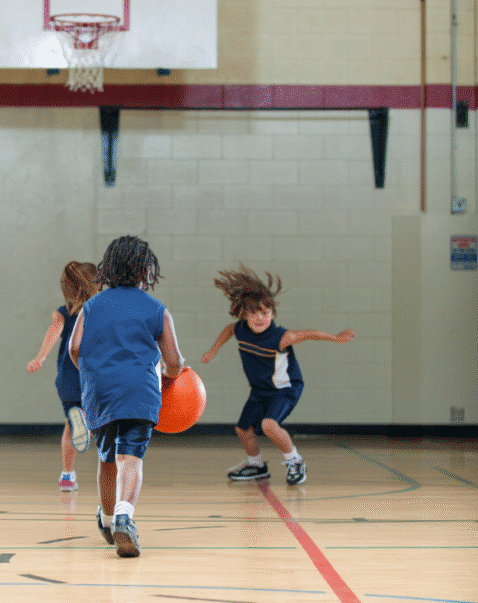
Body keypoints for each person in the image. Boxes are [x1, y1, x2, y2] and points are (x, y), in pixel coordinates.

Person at [69, 235, 184, 558]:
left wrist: (91, 373)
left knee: (107, 458)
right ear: (146, 272)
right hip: (139, 391)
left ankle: (107, 521)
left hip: (99, 392)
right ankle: (124, 515)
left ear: (108, 271)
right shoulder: (157, 309)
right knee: (130, 458)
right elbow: (174, 362)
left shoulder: (92, 306)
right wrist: (171, 373)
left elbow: (75, 348)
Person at [201, 264, 355, 486]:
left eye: (265, 313)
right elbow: (228, 330)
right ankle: (256, 466)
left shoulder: (280, 337)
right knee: (243, 429)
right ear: (244, 314)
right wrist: (213, 351)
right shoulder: (241, 330)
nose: (260, 318)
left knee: (269, 425)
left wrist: (336, 338)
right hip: (259, 391)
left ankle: (295, 461)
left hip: (285, 390)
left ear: (272, 313)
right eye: (254, 313)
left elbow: (308, 334)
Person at [27, 261, 99, 491]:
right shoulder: (100, 310)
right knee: (99, 420)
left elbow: (53, 331)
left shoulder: (64, 312)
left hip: (68, 377)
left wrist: (40, 357)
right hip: (94, 375)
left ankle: (67, 476)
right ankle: (86, 420)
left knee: (70, 425)